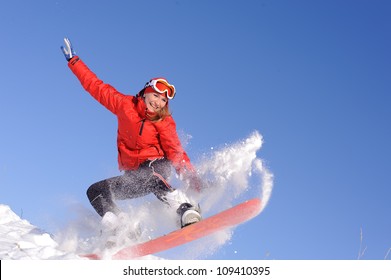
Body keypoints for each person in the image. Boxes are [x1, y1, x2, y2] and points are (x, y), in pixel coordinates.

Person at [60, 38, 202, 228]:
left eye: (163, 101)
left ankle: (185, 209)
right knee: (95, 191)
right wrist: (74, 61)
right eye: (156, 95)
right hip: (134, 176)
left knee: (151, 175)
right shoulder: (124, 105)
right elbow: (96, 87)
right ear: (146, 91)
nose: (158, 102)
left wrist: (190, 176)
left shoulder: (163, 121)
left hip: (156, 167)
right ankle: (119, 225)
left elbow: (175, 150)